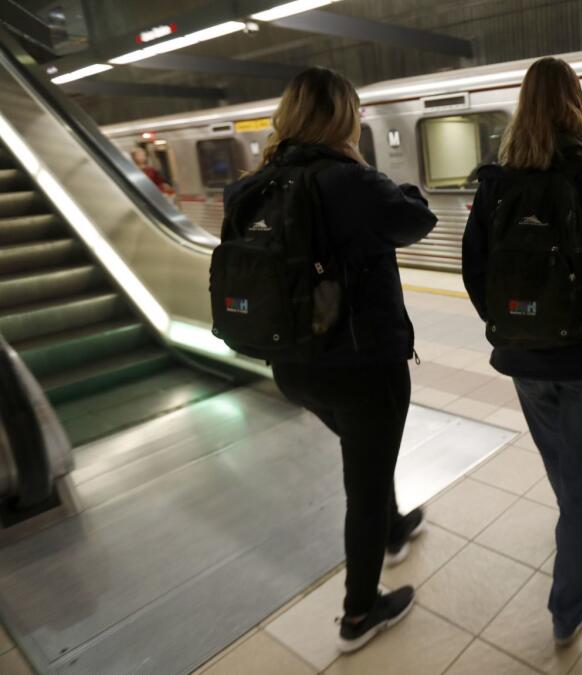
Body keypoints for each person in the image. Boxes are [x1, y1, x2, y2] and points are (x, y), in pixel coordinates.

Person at [223, 67, 438, 654]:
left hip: (292, 367)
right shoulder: (350, 181)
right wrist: (371, 173)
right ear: (344, 118)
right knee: (363, 487)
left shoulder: (250, 187)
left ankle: (394, 526)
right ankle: (359, 613)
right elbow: (418, 218)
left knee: (366, 456)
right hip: (364, 368)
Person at [462, 57, 582, 646]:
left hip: (524, 357)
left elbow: (475, 271)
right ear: (577, 106)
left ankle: (570, 516)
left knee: (562, 463)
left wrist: (512, 325)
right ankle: (567, 604)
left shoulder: (496, 183)